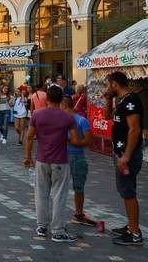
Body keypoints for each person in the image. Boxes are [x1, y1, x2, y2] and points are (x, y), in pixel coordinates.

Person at [23, 85, 85, 243]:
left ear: (47, 98)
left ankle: (42, 226)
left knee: (41, 193)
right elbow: (75, 140)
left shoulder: (37, 115)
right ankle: (57, 230)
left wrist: (27, 157)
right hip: (60, 160)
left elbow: (29, 137)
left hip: (41, 159)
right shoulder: (68, 118)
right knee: (59, 195)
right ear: (60, 99)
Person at [103, 72, 144, 246]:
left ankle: (135, 233)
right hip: (121, 152)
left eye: (107, 85)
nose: (106, 88)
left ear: (114, 84)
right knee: (126, 190)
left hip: (128, 154)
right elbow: (107, 117)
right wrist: (107, 100)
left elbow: (134, 129)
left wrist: (126, 155)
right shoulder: (121, 101)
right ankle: (131, 226)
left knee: (128, 193)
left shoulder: (131, 101)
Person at [59, 95, 96, 227]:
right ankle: (58, 215)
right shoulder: (60, 120)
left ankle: (79, 214)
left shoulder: (81, 121)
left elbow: (89, 140)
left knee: (78, 187)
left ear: (64, 105)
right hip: (61, 156)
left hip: (77, 157)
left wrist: (75, 142)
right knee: (60, 188)